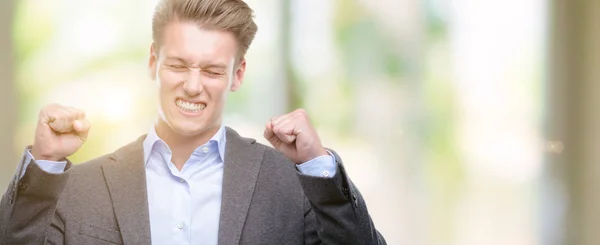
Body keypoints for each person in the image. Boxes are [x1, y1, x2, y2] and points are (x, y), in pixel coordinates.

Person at [0, 0, 386, 244]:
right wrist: (45, 163)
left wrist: (318, 164)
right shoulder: (79, 188)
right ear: (153, 62)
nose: (193, 85)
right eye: (178, 65)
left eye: (214, 71)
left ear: (237, 75)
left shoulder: (291, 184)